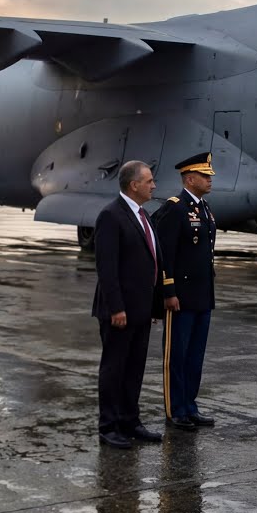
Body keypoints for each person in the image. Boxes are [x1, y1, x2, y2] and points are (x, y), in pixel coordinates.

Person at [92, 160, 167, 449]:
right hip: (119, 311)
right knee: (114, 368)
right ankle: (109, 426)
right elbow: (106, 268)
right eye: (149, 181)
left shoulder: (142, 215)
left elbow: (150, 262)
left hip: (141, 309)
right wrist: (117, 308)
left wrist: (154, 308)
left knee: (134, 368)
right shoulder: (111, 215)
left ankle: (130, 421)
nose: (154, 185)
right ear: (134, 185)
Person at [152, 152, 218, 431]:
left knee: (195, 356)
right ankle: (175, 410)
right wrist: (169, 290)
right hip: (180, 297)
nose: (209, 180)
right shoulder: (175, 208)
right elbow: (165, 252)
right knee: (176, 355)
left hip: (202, 295)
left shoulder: (204, 209)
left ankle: (190, 405)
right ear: (190, 178)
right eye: (205, 176)